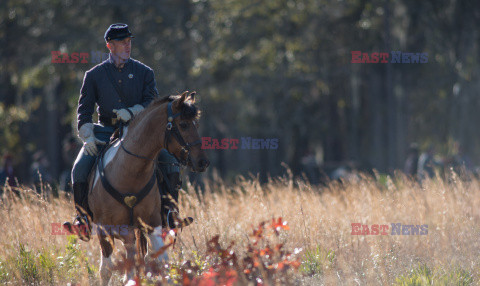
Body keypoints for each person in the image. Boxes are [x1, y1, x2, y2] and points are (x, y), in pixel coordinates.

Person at [63, 23, 191, 240]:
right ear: (109, 46)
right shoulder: (94, 75)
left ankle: (170, 213)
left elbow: (153, 103)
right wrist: (87, 134)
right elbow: (84, 112)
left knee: (170, 161)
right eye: (122, 42)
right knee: (79, 168)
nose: (127, 45)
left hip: (141, 135)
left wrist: (133, 112)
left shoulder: (145, 72)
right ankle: (83, 218)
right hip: (105, 132)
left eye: (129, 41)